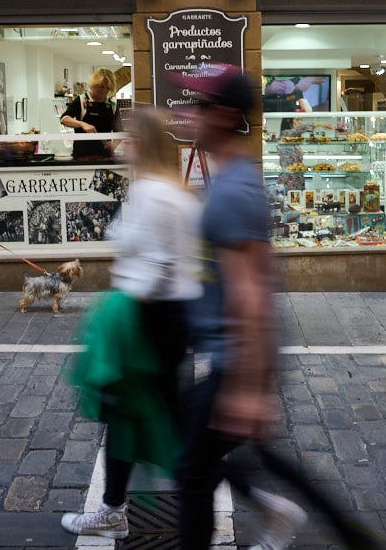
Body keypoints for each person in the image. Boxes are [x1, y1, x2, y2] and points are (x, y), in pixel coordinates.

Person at [169, 63, 308, 550]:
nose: (187, 113)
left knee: (191, 470)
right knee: (195, 455)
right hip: (228, 357)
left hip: (234, 361)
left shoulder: (232, 189)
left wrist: (249, 389)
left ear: (225, 115)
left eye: (199, 105)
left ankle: (276, 511)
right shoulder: (228, 180)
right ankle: (274, 508)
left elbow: (253, 293)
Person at [62, 108, 203, 540]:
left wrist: (124, 316)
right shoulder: (172, 192)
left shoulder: (152, 194)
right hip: (170, 318)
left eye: (129, 140)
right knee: (141, 417)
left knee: (137, 417)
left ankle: (114, 510)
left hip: (150, 319)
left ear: (145, 144)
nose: (122, 147)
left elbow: (158, 264)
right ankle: (114, 508)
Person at [60, 68, 122, 160]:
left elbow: (119, 131)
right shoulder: (81, 100)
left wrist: (115, 144)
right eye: (101, 87)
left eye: (108, 88)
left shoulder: (112, 105)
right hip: (82, 157)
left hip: (105, 157)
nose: (104, 91)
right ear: (94, 85)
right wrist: (82, 124)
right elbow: (64, 119)